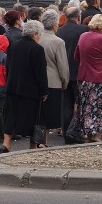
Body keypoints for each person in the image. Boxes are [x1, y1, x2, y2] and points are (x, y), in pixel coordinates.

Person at [2, 20, 50, 151]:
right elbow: (41, 72)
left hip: (12, 86)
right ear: (35, 33)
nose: (40, 37)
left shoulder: (14, 45)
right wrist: (44, 90)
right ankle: (33, 145)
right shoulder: (37, 49)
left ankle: (6, 144)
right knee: (36, 118)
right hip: (30, 90)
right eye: (39, 34)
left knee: (11, 116)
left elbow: (8, 66)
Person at [74, 14, 102, 142]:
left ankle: (87, 134)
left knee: (87, 107)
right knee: (101, 108)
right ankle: (97, 135)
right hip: (101, 78)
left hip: (84, 77)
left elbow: (76, 57)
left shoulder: (83, 36)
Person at [56, 6, 88, 144]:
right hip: (79, 71)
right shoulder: (83, 30)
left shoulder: (59, 31)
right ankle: (76, 131)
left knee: (66, 104)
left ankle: (66, 131)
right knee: (81, 103)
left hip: (63, 72)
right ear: (78, 17)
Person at [36, 10, 69, 145]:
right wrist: (64, 82)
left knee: (39, 114)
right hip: (53, 81)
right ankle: (44, 141)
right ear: (55, 24)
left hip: (37, 81)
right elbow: (63, 66)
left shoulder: (37, 38)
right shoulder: (58, 42)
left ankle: (38, 141)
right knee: (49, 116)